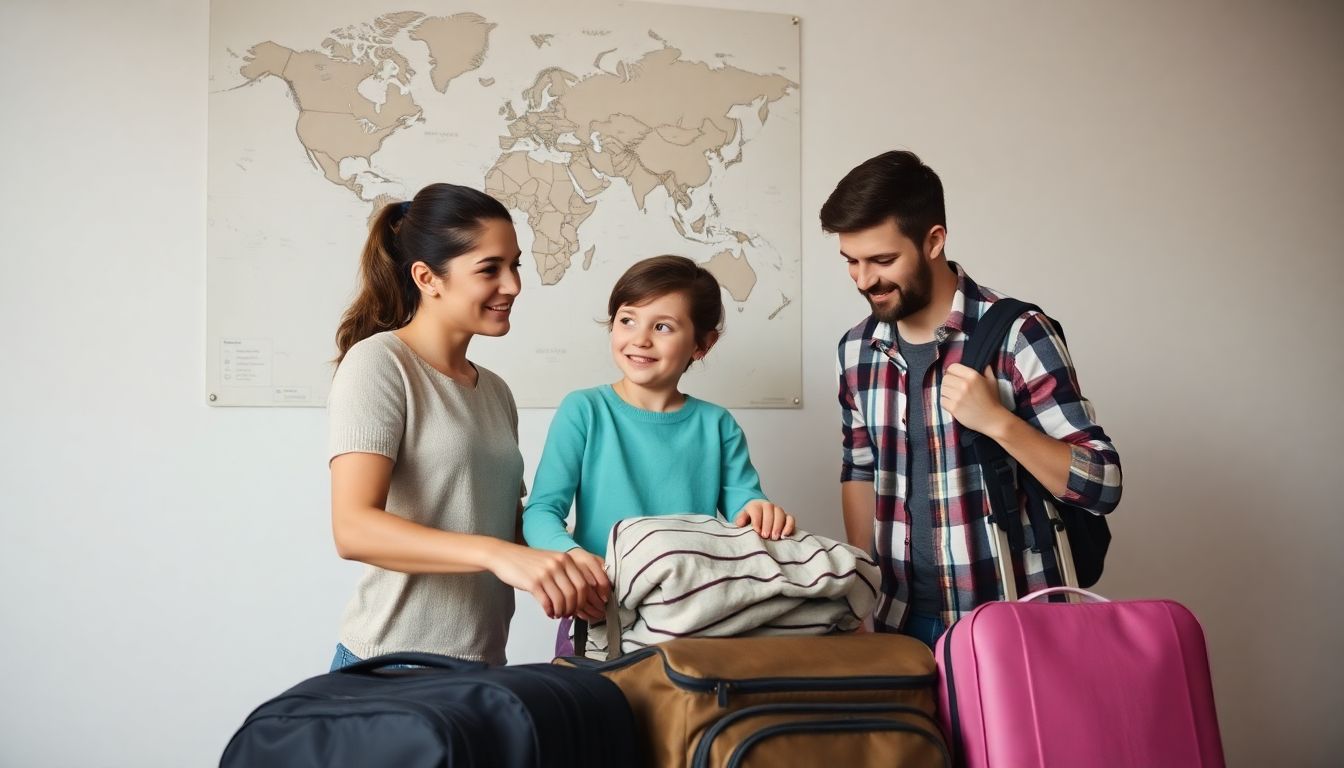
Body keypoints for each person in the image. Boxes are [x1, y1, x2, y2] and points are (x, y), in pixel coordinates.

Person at [822, 151, 1122, 648]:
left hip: (1011, 621)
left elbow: (1102, 484)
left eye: (883, 260)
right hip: (897, 619)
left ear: (934, 241)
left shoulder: (1020, 334)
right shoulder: (857, 349)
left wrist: (998, 422)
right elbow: (860, 470)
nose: (863, 279)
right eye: (851, 261)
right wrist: (863, 596)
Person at [326, 183, 602, 671]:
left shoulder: (494, 391)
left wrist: (565, 565)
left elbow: (499, 521)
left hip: (482, 665)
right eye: (490, 269)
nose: (513, 285)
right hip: (393, 665)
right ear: (428, 277)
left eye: (515, 265)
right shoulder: (379, 364)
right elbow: (353, 529)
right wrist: (497, 555)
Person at [522, 255, 795, 653]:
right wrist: (573, 558)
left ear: (702, 344)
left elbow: (746, 506)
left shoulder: (716, 425)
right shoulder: (583, 410)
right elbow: (542, 511)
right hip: (599, 611)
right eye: (627, 320)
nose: (640, 339)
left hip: (690, 617)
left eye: (663, 326)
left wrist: (762, 509)